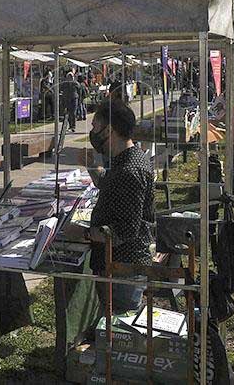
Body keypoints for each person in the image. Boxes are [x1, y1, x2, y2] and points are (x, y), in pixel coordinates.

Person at [85, 101, 154, 314]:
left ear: (109, 130)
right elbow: (109, 183)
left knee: (119, 326)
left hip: (123, 267)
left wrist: (85, 233)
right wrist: (92, 167)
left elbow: (125, 231)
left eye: (95, 126)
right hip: (116, 264)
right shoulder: (126, 159)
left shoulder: (130, 171)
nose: (92, 132)